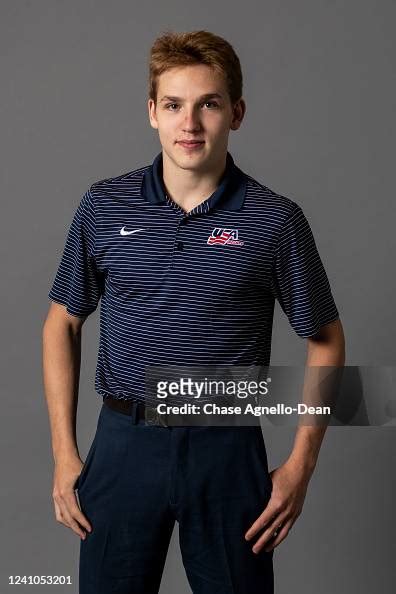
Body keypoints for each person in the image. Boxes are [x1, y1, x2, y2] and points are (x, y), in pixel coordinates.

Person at [42, 29, 345, 594]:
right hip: (125, 444)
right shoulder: (104, 205)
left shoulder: (275, 220)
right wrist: (64, 455)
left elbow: (326, 337)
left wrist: (301, 467)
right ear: (152, 112)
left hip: (226, 449)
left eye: (209, 103)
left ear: (237, 112)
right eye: (175, 105)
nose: (191, 123)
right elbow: (63, 322)